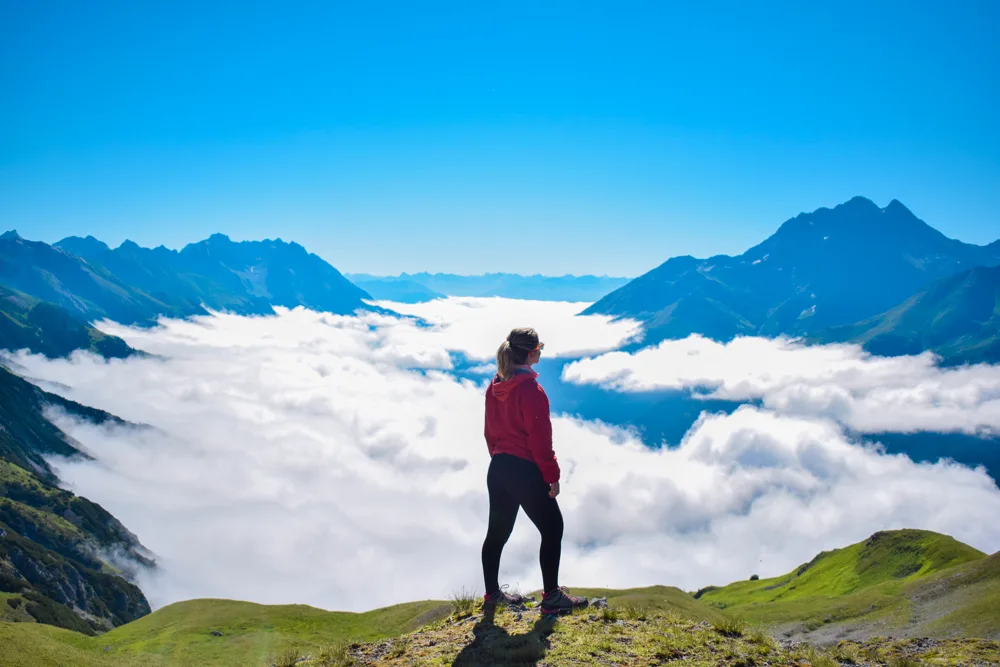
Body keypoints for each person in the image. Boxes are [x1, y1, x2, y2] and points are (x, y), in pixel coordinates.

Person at [480, 327, 589, 615]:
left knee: (497, 533)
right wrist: (551, 476)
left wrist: (501, 460)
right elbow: (540, 441)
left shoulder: (495, 386)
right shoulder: (530, 391)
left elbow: (489, 433)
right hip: (523, 470)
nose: (541, 350)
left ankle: (491, 595)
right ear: (530, 353)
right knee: (553, 527)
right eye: (539, 346)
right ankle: (551, 597)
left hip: (498, 467)